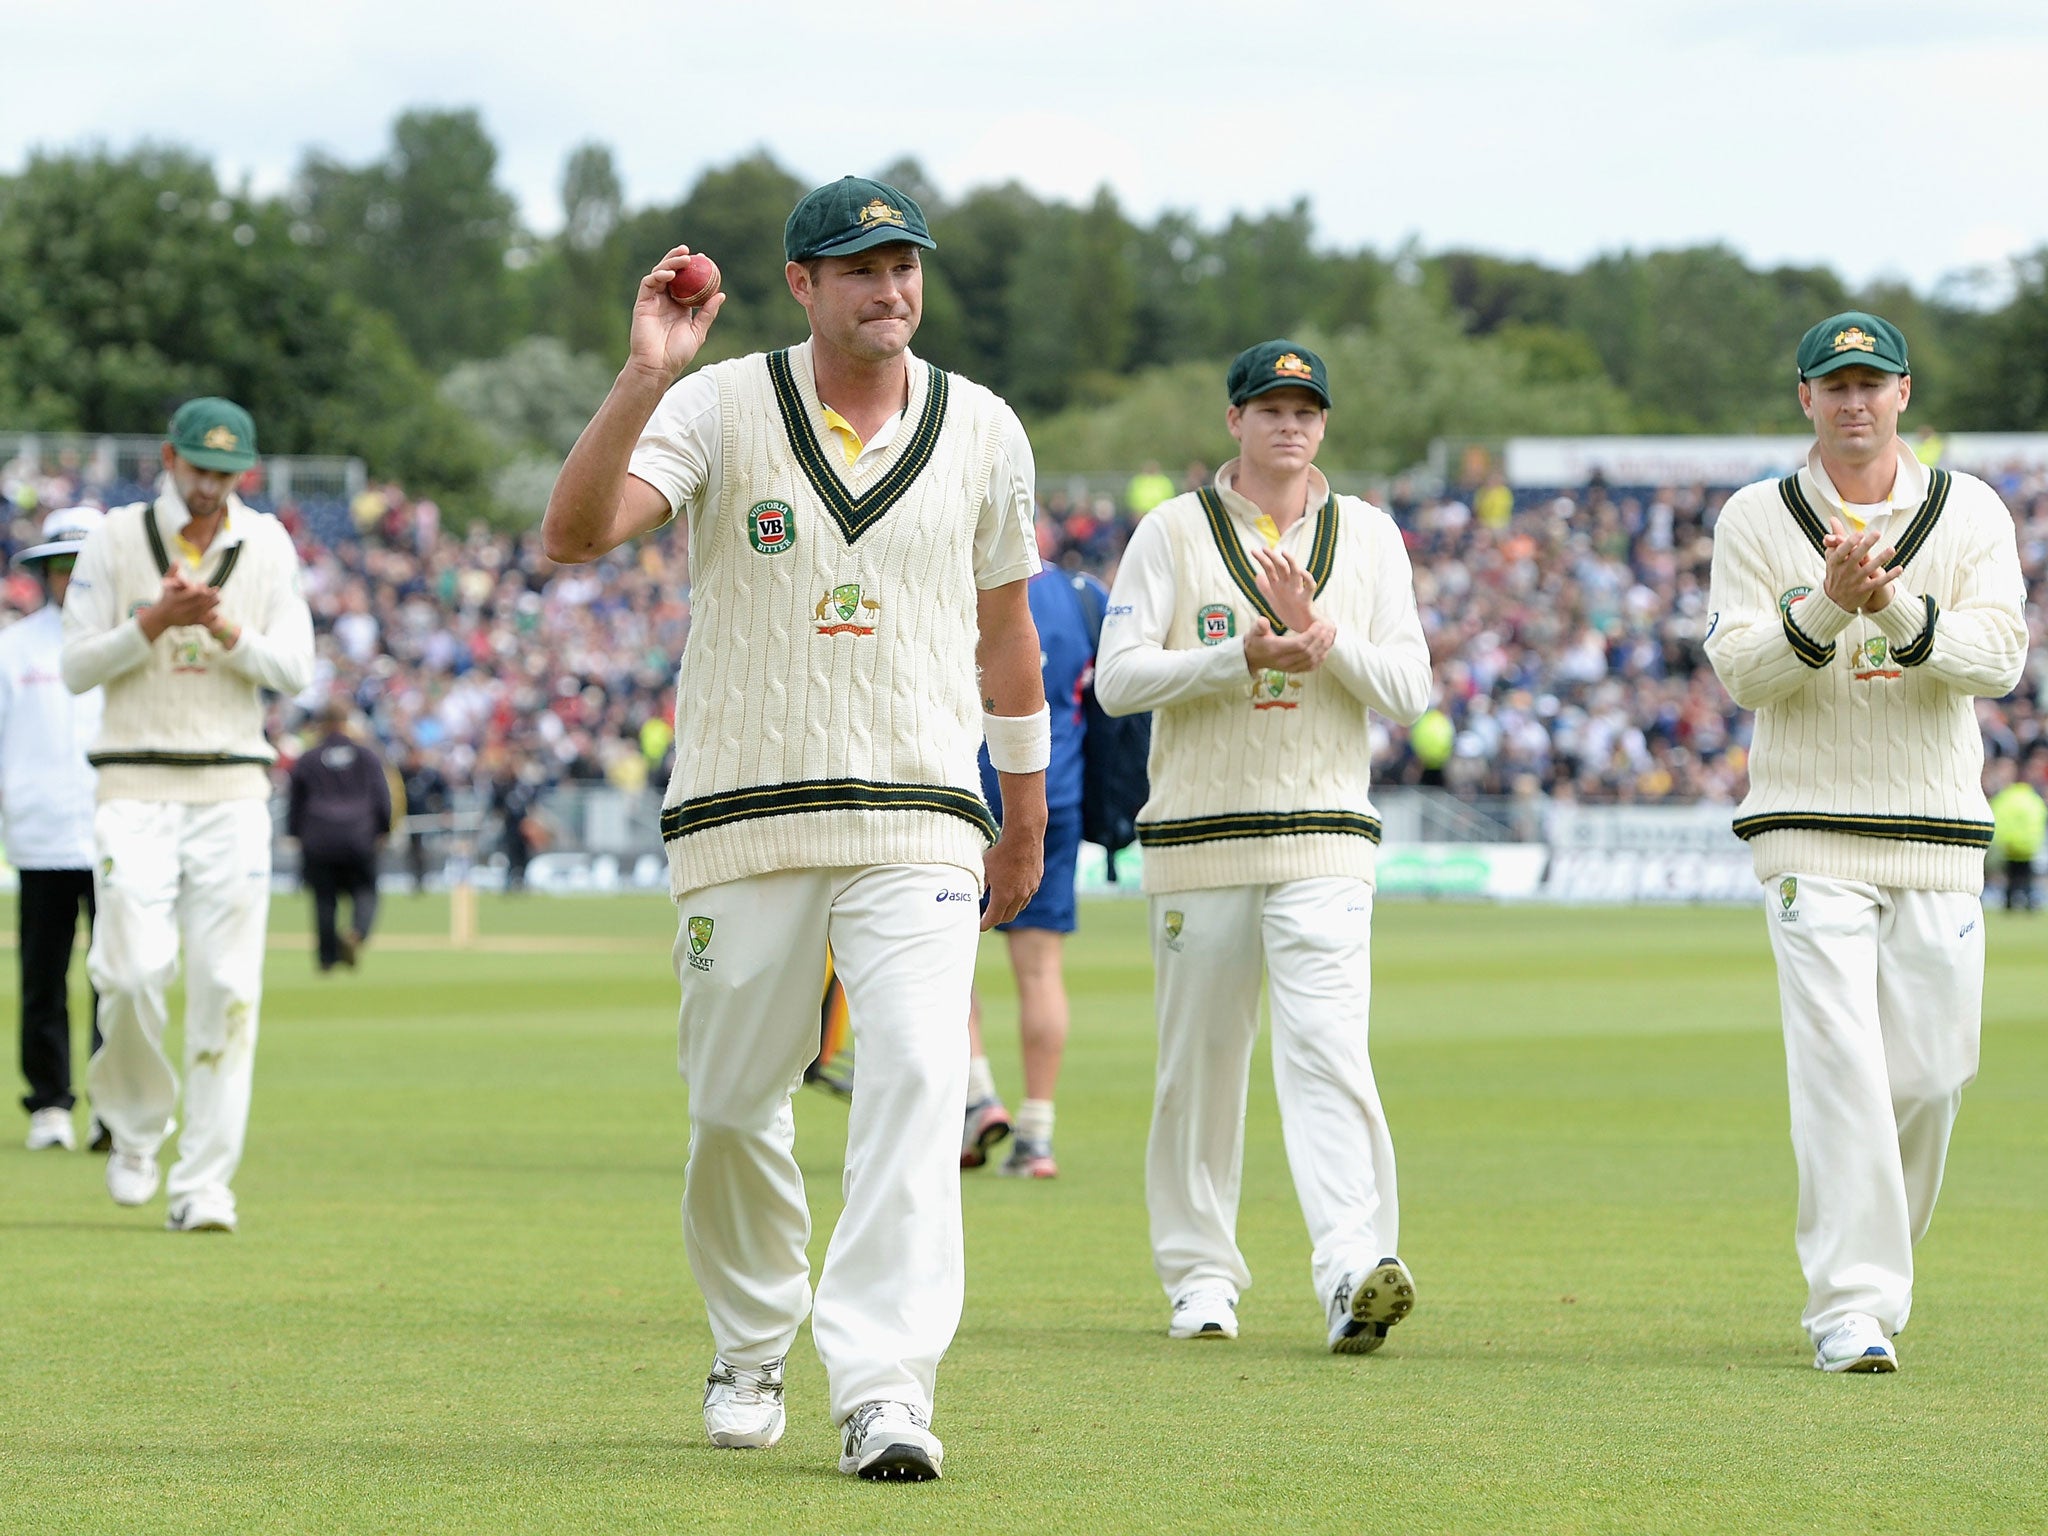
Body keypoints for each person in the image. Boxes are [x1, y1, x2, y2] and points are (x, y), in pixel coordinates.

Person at [542, 176, 1046, 1482]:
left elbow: (1008, 634)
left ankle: (885, 1385)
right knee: (729, 1102)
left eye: (905, 265)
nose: (890, 289)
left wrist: (1027, 799)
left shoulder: (985, 427)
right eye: (860, 268)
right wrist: (643, 374)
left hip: (923, 805)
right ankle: (752, 1338)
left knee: (924, 1077)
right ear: (803, 285)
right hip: (741, 809)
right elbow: (574, 534)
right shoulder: (714, 405)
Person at [1703, 311, 2028, 1373]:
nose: (1851, 401)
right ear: (1803, 399)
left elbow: (1995, 662)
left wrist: (1885, 605)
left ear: (1902, 395)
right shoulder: (1756, 516)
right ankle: (1850, 1305)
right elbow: (1743, 670)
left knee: (1932, 1075)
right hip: (1806, 826)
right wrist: (1820, 609)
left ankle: (1870, 1261)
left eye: (1869, 384)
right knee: (1840, 1064)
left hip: (1934, 828)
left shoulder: (1964, 509)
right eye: (1831, 385)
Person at [1095, 340, 1431, 1354]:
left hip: (1324, 833)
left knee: (1327, 1050)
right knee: (1198, 1067)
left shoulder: (1368, 537)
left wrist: (1320, 636)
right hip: (1199, 837)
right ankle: (1200, 1277)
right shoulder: (1171, 532)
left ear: (1322, 424)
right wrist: (1231, 656)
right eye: (1268, 407)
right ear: (1232, 420)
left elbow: (1409, 692)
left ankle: (1348, 1267)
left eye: (1305, 408)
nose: (1289, 423)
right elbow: (1116, 680)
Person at [61, 397, 315, 1233]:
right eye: (198, 469)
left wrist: (223, 628)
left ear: (246, 469)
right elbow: (74, 668)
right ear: (168, 457)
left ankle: (205, 1184)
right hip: (132, 784)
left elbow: (295, 671)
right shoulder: (113, 538)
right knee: (129, 974)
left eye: (226, 472)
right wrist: (154, 622)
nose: (209, 487)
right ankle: (134, 1130)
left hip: (232, 789)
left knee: (228, 988)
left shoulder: (267, 543)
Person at [962, 562, 1106, 1178]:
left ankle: (976, 1096)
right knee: (1042, 971)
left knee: (944, 961)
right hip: (1051, 800)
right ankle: (1037, 1133)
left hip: (958, 791)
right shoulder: (1079, 596)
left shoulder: (950, 573)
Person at [3, 507, 105, 1151]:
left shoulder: (136, 640)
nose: (72, 580)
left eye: (84, 567)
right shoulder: (13, 647)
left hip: (119, 833)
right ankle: (49, 1105)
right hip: (39, 834)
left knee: (119, 976)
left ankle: (116, 1104)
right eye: (61, 567)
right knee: (43, 974)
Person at [288, 698, 393, 971]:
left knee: (324, 898)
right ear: (346, 724)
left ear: (320, 725)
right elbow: (382, 797)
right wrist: (383, 829)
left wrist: (295, 832)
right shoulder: (366, 756)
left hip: (318, 836)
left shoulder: (309, 758)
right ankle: (356, 933)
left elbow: (295, 800)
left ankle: (326, 959)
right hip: (359, 834)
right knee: (365, 890)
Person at [1987, 757, 2045, 911]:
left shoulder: (2005, 797)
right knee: (2026, 878)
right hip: (2027, 847)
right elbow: (2041, 818)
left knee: (2011, 878)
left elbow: (1996, 816)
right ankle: (2029, 904)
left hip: (2010, 846)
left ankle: (2009, 904)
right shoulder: (2033, 798)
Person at [399, 747, 452, 892]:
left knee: (425, 849)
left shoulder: (429, 775)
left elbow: (444, 792)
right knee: (412, 851)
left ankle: (425, 878)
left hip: (426, 819)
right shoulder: (403, 774)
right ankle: (415, 879)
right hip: (408, 819)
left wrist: (446, 809)